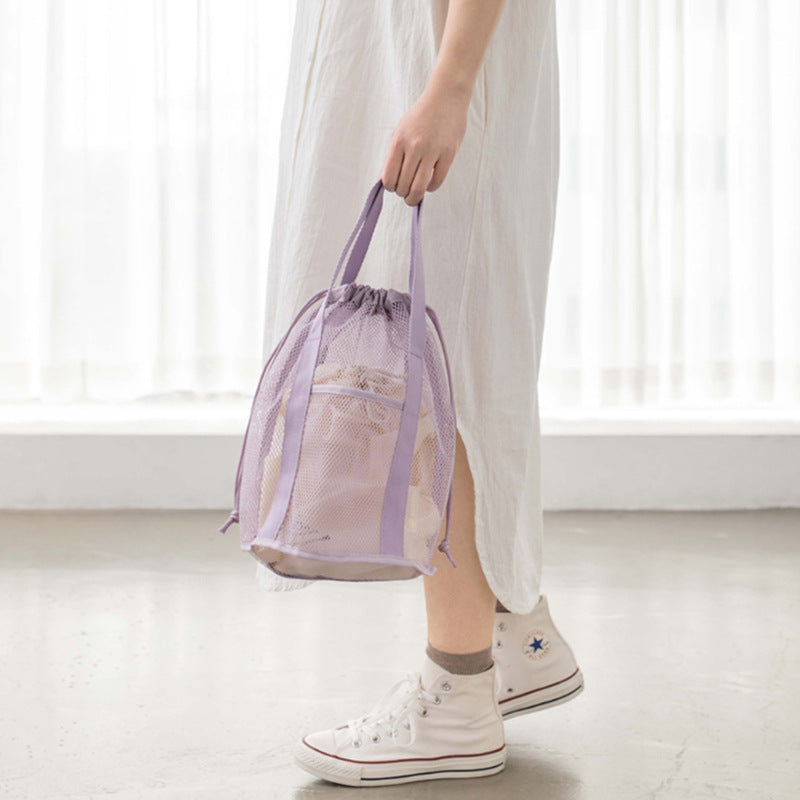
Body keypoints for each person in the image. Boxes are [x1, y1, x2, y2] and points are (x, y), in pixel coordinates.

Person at [258, 0, 583, 786]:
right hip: (395, 60)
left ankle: (459, 692)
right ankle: (512, 633)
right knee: (449, 339)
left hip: (433, 65)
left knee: (445, 360)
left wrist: (449, 86)